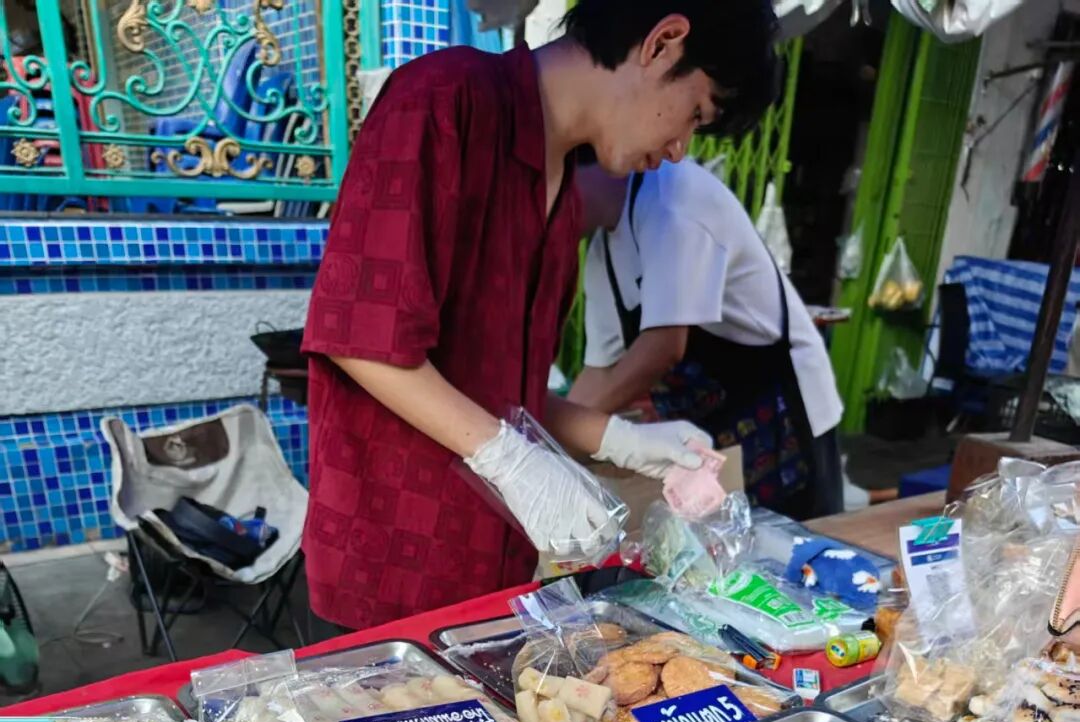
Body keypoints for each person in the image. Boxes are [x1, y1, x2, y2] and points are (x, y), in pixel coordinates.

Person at [301, 1, 778, 630]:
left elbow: (496, 389)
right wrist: (513, 462)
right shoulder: (447, 101)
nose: (677, 150)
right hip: (391, 568)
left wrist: (620, 441)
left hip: (491, 571)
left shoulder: (562, 197)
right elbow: (360, 337)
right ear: (663, 42)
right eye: (694, 114)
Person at [569, 155, 845, 520]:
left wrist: (591, 436)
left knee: (797, 554)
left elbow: (663, 348)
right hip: (707, 436)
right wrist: (545, 444)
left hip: (783, 420)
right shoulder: (603, 255)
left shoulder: (673, 200)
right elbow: (598, 374)